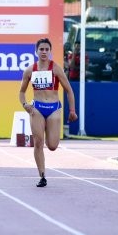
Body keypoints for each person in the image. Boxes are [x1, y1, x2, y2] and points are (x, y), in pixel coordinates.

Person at [18, 38, 78, 187]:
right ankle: (42, 176)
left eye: (46, 49)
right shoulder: (30, 70)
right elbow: (21, 92)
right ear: (36, 51)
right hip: (37, 108)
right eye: (41, 49)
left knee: (52, 145)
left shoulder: (56, 68)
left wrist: (72, 110)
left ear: (50, 51)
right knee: (38, 143)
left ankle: (48, 134)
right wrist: (25, 104)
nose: (44, 52)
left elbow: (69, 91)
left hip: (54, 108)